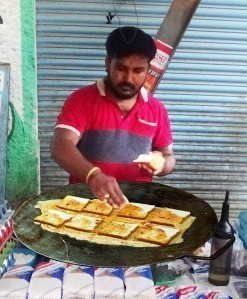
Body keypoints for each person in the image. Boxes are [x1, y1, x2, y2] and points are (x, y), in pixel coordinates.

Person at [51, 26, 176, 208]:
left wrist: (161, 165)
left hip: (138, 207)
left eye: (138, 71)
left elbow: (169, 156)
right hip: (86, 206)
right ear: (108, 62)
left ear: (148, 69)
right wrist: (93, 175)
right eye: (121, 68)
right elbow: (60, 146)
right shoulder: (82, 100)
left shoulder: (156, 109)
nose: (128, 78)